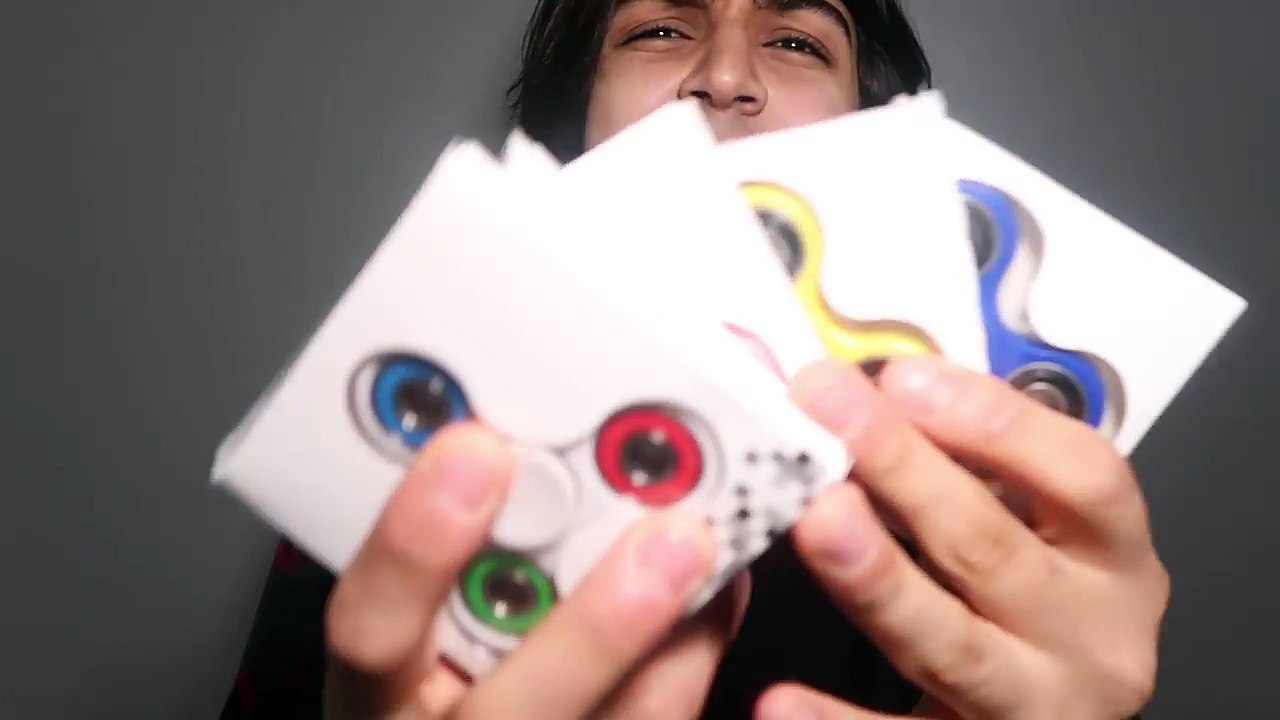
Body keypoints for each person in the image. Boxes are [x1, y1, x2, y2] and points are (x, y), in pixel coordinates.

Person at [221, 1, 1170, 718]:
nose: (723, 76)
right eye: (661, 29)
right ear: (577, 123)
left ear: (877, 129)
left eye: (795, 40)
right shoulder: (410, 454)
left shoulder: (1004, 502)